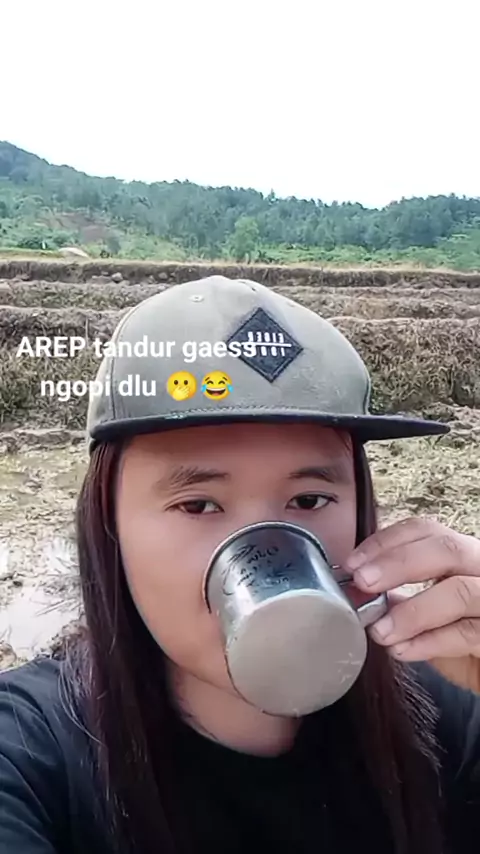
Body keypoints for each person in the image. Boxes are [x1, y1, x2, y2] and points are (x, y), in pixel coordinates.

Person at [1, 274, 479, 854]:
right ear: (108, 525)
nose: (264, 550)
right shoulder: (27, 755)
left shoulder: (445, 712)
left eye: (309, 500)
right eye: (198, 504)